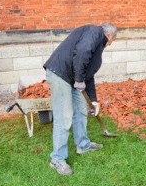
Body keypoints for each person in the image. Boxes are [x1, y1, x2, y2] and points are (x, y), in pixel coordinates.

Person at [43, 23, 118, 175]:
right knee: (64, 117)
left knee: (81, 110)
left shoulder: (97, 44)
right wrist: (78, 79)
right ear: (110, 35)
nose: (110, 44)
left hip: (72, 78)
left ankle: (83, 145)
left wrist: (93, 100)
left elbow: (88, 74)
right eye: (112, 40)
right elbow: (82, 52)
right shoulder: (95, 32)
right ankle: (57, 159)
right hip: (60, 74)